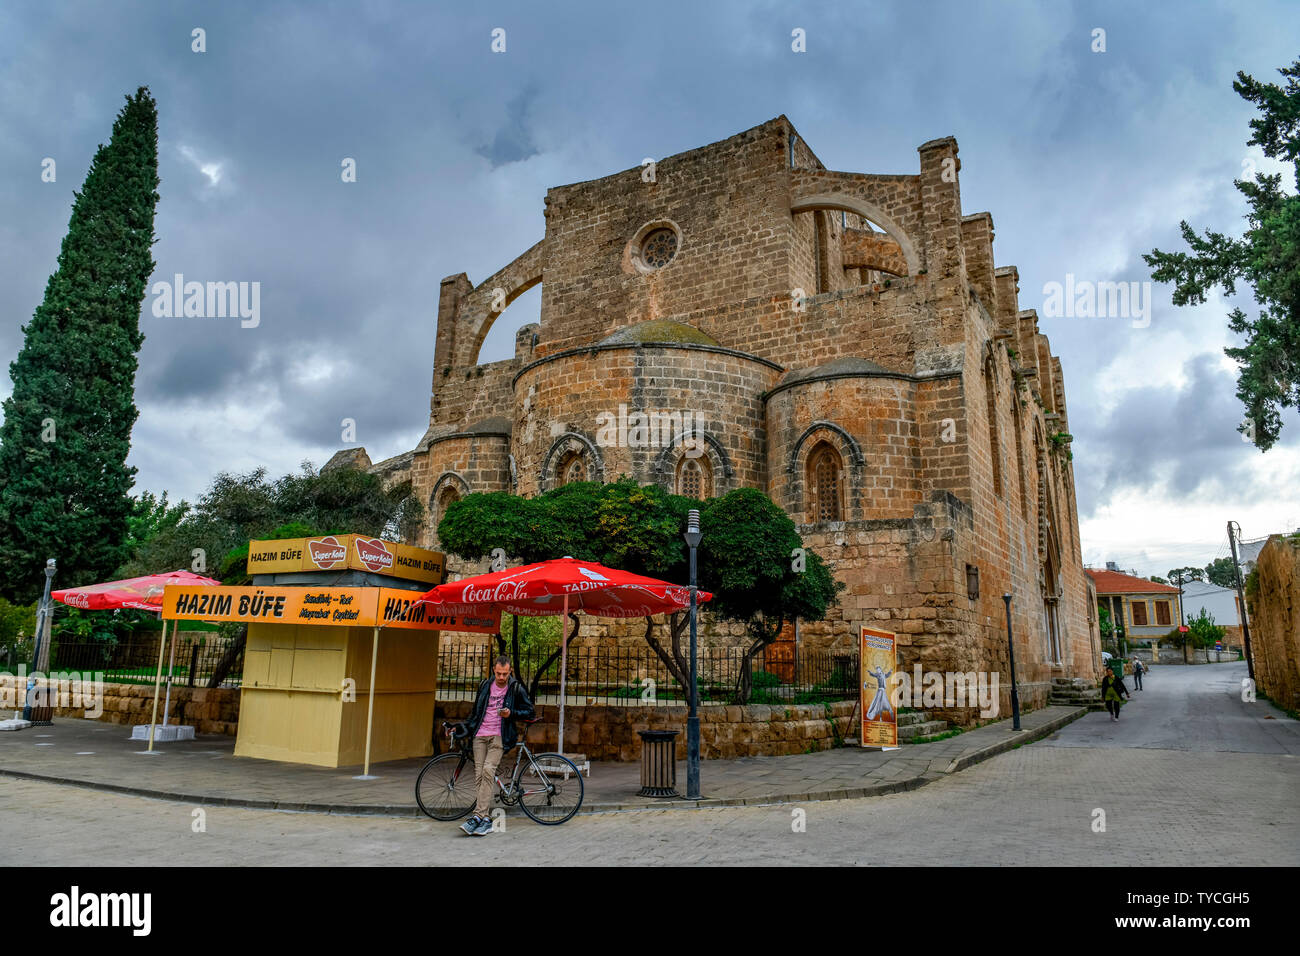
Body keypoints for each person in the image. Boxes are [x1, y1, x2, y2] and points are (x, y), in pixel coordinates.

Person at [459, 656, 535, 836]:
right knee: (480, 775)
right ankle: (484, 819)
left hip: (499, 736)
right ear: (494, 670)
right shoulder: (485, 685)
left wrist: (511, 713)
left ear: (510, 672)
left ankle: (478, 817)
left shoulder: (515, 687)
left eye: (505, 674)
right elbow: (476, 711)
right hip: (480, 735)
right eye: (499, 673)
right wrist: (463, 728)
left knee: (487, 770)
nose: (501, 677)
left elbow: (530, 710)